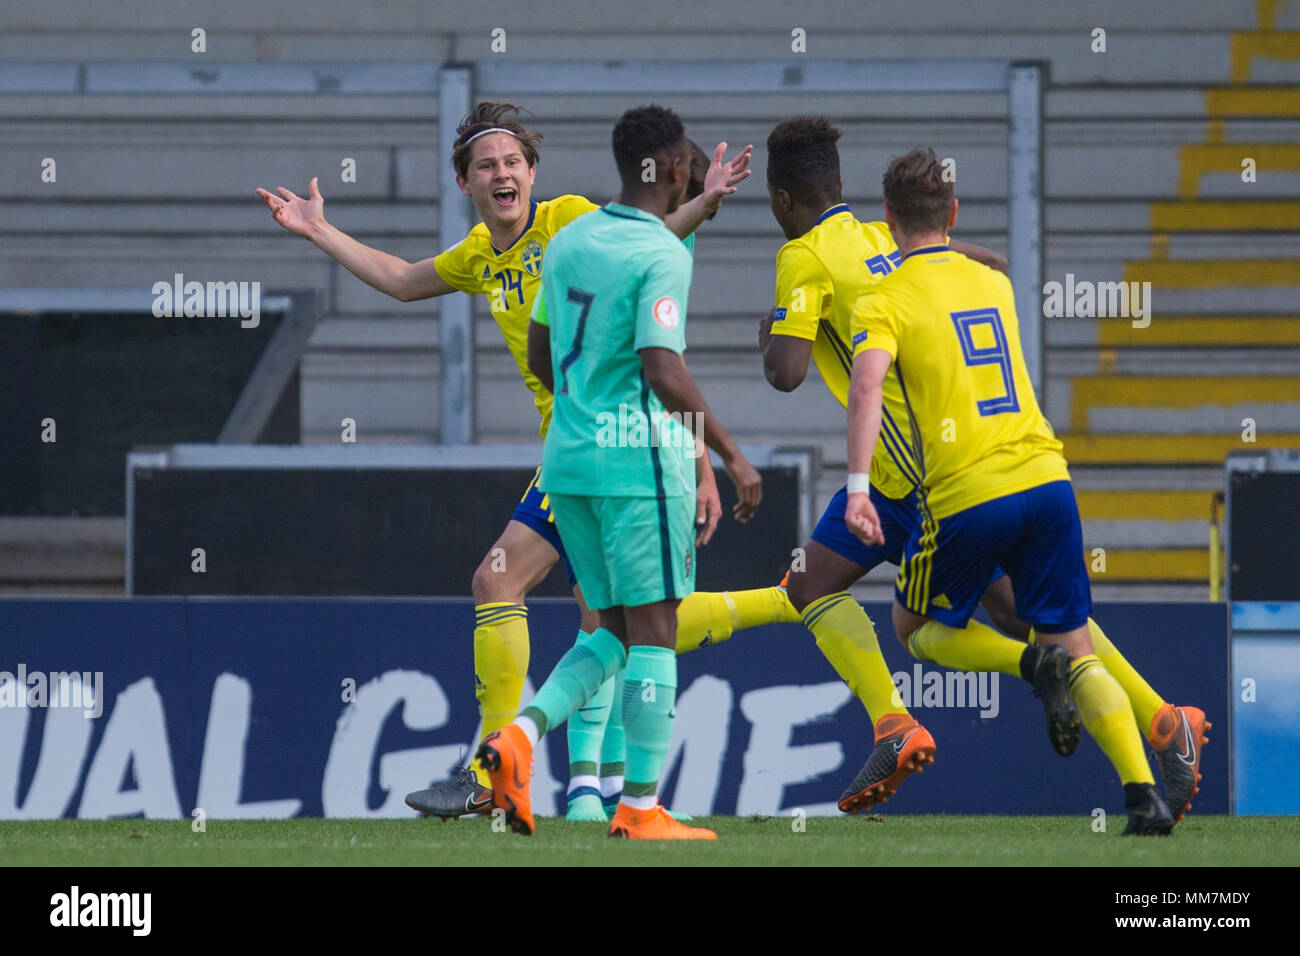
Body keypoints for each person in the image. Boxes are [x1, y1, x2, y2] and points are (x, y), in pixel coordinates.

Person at [257, 102, 790, 819]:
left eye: (513, 162)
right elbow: (404, 279)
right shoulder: (481, 254)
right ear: (465, 184)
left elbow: (645, 248)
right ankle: (536, 781)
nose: (502, 173)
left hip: (620, 444)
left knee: (614, 622)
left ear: (532, 173)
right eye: (487, 166)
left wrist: (701, 202)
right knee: (540, 596)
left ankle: (573, 786)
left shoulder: (568, 220)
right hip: (573, 449)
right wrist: (319, 229)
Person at [844, 148, 1204, 834]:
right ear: (953, 213)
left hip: (966, 494)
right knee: (1078, 643)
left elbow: (867, 385)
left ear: (887, 218)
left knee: (913, 628)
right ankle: (1142, 796)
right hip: (1047, 479)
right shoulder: (994, 283)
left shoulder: (883, 297)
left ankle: (1028, 663)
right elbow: (982, 263)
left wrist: (859, 487)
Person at [478, 104, 760, 839]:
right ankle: (638, 808)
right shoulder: (661, 254)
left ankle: (518, 738)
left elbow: (542, 355)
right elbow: (663, 369)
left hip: (566, 463)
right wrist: (729, 454)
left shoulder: (571, 240)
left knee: (607, 632)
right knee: (655, 631)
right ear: (672, 169)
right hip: (637, 464)